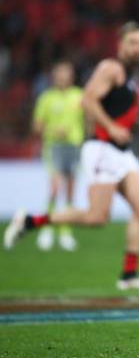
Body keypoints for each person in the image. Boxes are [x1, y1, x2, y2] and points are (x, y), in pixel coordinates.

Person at [4, 22, 139, 291]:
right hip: (102, 148)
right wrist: (112, 127)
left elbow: (119, 114)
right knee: (96, 217)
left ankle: (129, 275)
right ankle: (29, 221)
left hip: (121, 152)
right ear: (120, 45)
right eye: (133, 42)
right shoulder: (111, 68)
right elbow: (88, 100)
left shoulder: (134, 78)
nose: (138, 48)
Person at [32, 60, 84, 251]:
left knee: (70, 189)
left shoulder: (79, 96)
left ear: (71, 76)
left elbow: (88, 119)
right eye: (60, 73)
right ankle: (47, 229)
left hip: (74, 146)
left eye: (66, 73)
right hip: (54, 147)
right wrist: (54, 130)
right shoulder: (46, 98)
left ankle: (65, 233)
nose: (63, 77)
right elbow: (37, 126)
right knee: (55, 189)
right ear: (54, 76)